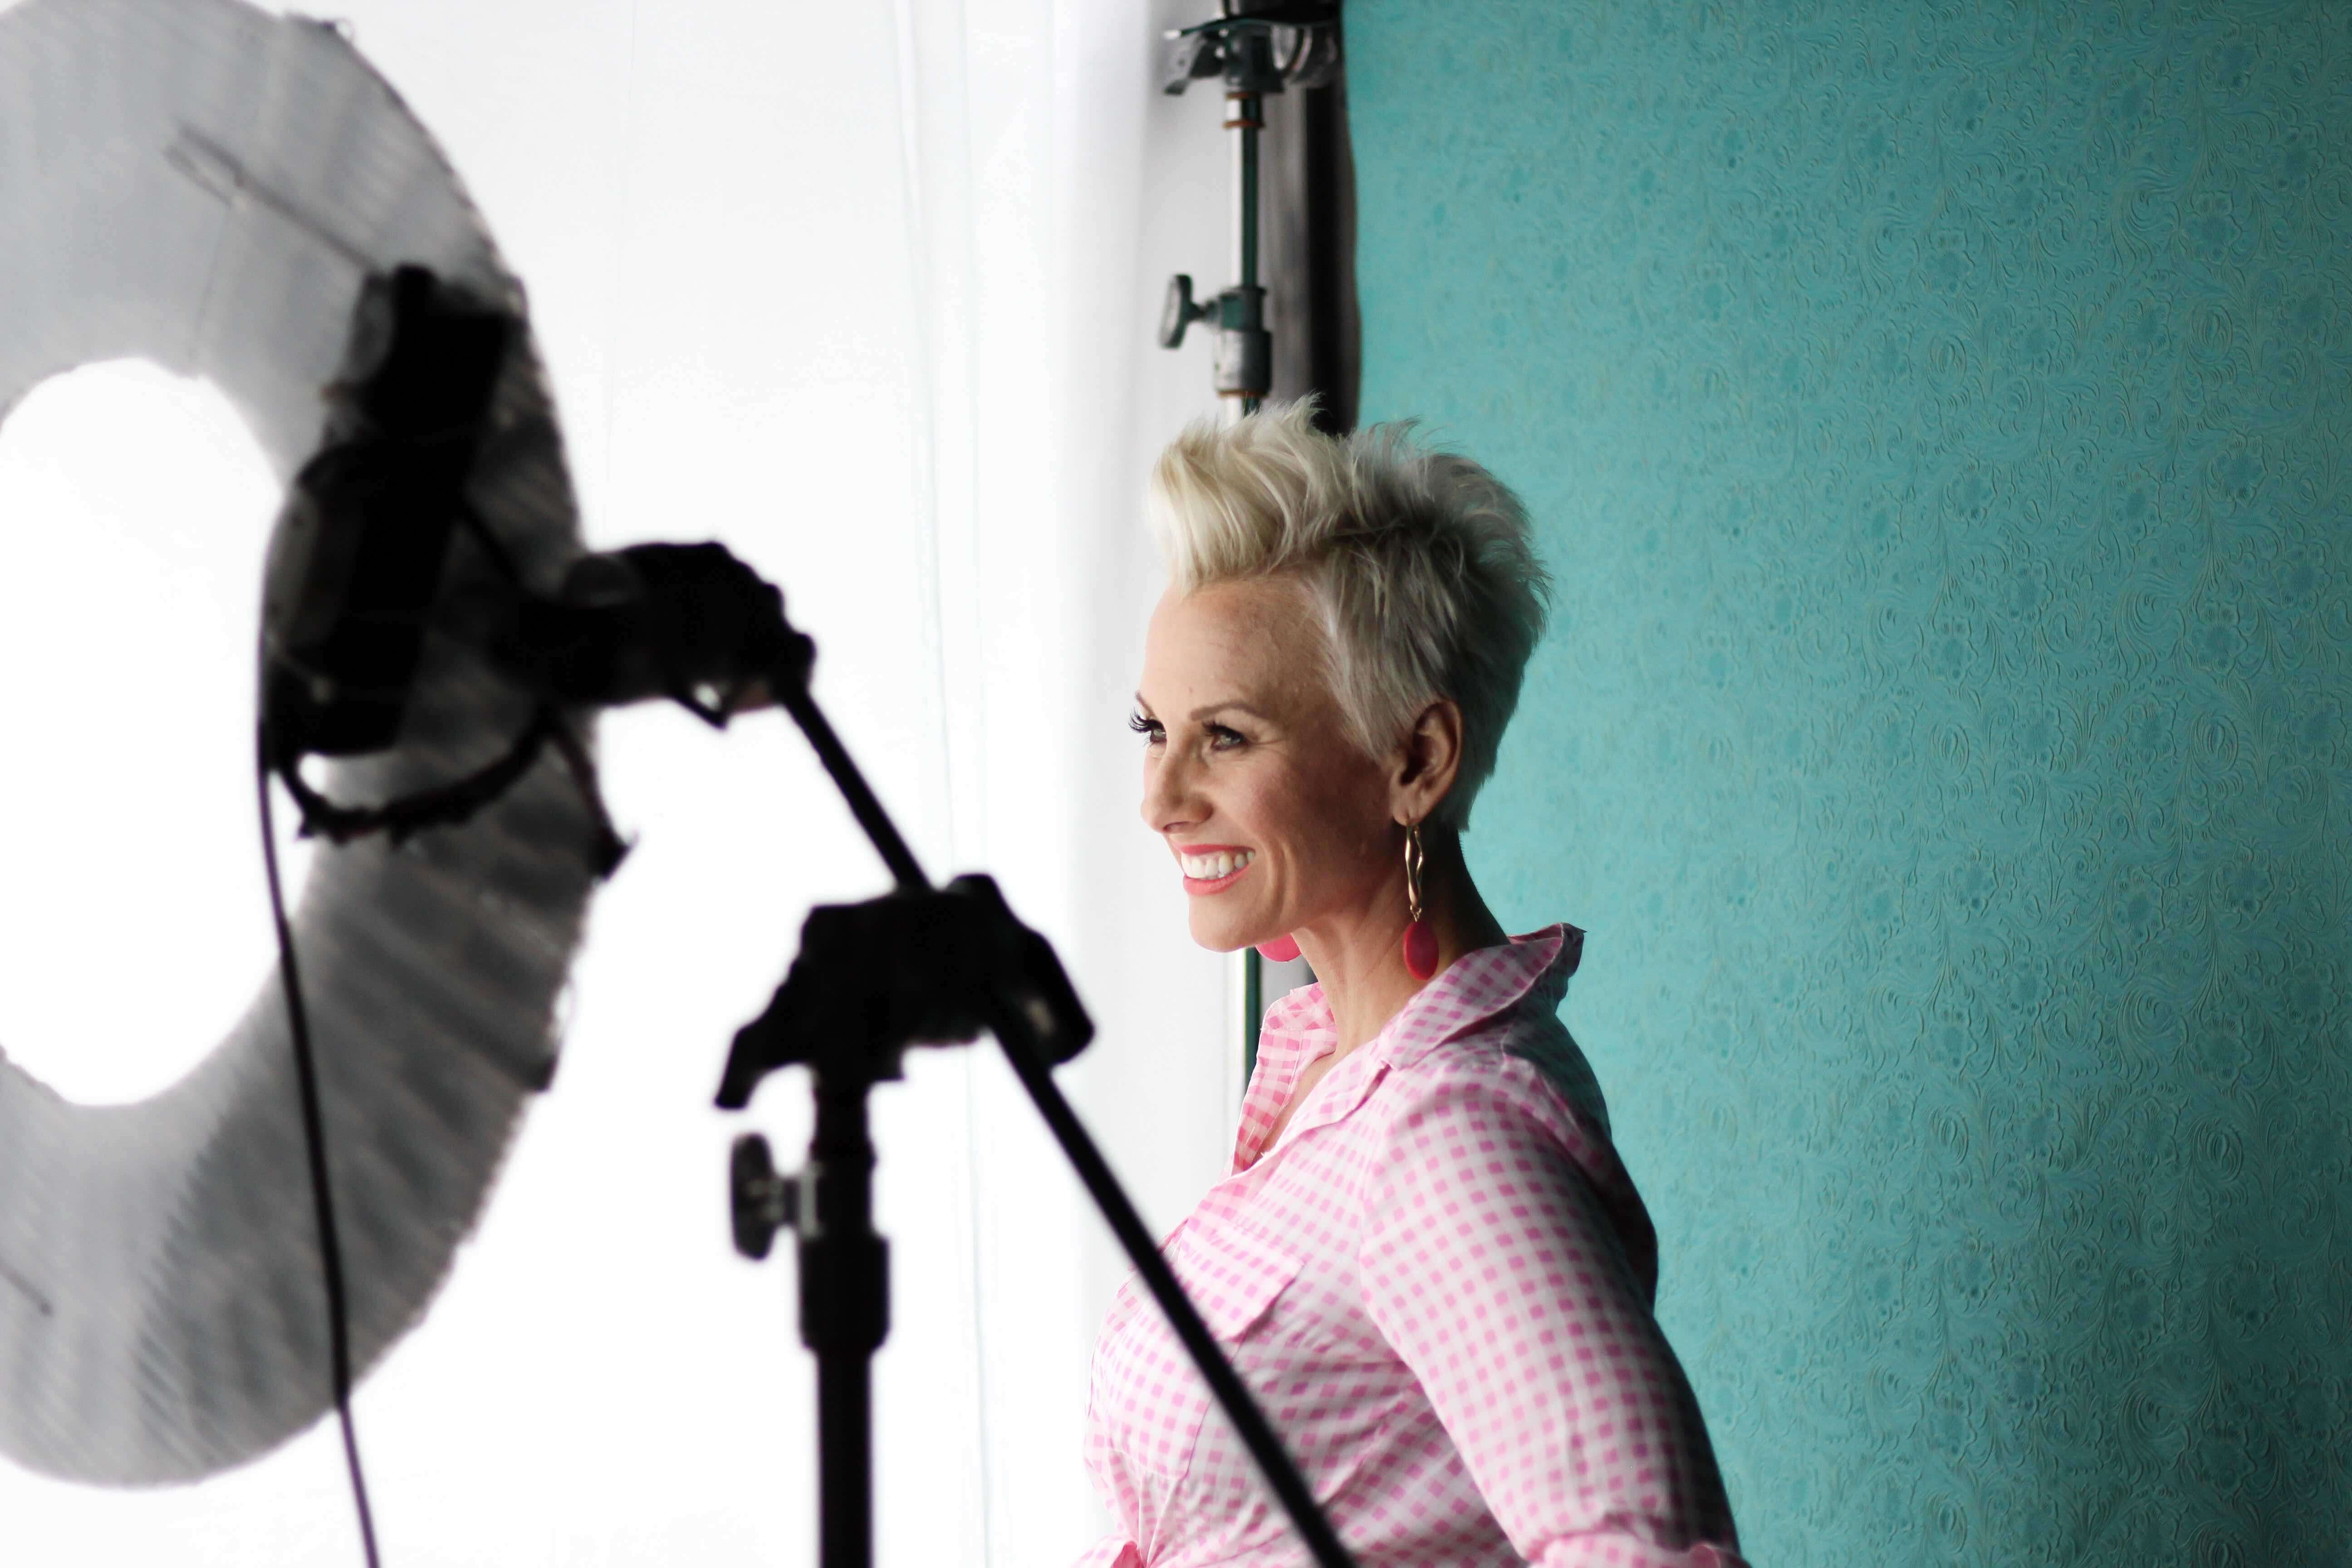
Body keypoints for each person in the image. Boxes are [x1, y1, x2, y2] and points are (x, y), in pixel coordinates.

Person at [1077, 403, 1747, 1568]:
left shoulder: (1444, 1132)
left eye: (1226, 738)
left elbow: (1644, 1549)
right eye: (1154, 729)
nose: (1161, 798)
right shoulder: (1325, 1071)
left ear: (1416, 761)